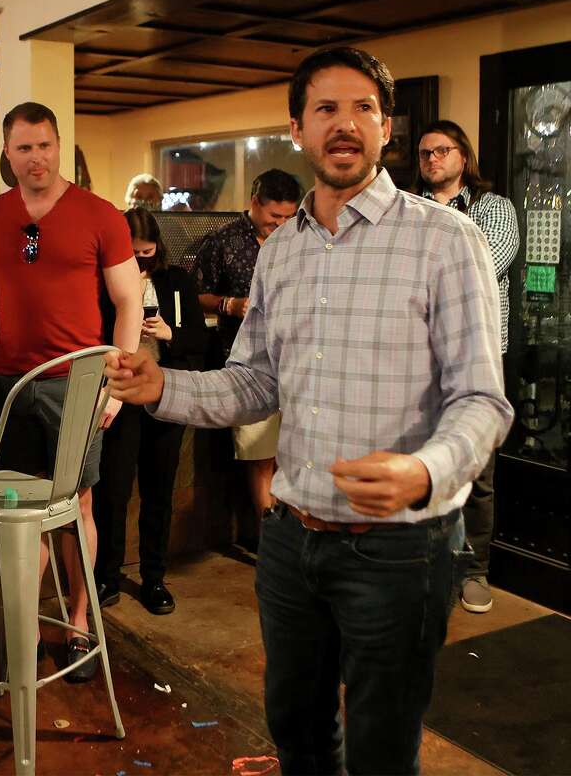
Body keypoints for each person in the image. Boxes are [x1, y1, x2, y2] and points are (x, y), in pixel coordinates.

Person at [105, 46, 513, 775]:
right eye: (326, 108)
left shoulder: (446, 240)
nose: (346, 123)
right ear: (297, 128)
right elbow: (255, 382)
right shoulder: (282, 253)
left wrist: (425, 470)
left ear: (386, 128)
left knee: (382, 750)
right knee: (296, 733)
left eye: (363, 107)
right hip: (291, 545)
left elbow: (482, 400)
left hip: (400, 551)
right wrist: (161, 386)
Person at [0, 101, 141, 682]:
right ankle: (20, 620)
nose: (36, 157)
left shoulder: (100, 214)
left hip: (78, 383)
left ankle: (77, 621)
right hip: (7, 382)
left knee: (77, 508)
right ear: (7, 152)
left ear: (58, 145)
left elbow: (128, 302)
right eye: (23, 147)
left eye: (44, 145)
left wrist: (114, 383)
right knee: (19, 507)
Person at [415, 119, 519, 614]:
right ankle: (419, 569)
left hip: (476, 354)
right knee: (418, 461)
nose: (432, 160)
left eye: (442, 151)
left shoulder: (494, 209)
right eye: (425, 153)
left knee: (475, 469)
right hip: (413, 356)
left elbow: (481, 268)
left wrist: (420, 274)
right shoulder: (404, 210)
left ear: (463, 156)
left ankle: (472, 572)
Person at [93, 207, 208, 615]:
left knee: (160, 491)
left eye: (146, 253)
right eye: (133, 253)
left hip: (166, 394)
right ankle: (106, 575)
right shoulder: (104, 281)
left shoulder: (174, 280)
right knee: (113, 490)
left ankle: (154, 578)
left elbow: (201, 340)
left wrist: (169, 333)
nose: (141, 260)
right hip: (120, 396)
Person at [193, 169, 302, 545]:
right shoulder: (222, 242)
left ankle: (294, 539)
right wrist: (228, 304)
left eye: (289, 216)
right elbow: (195, 293)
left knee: (295, 457)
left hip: (298, 361)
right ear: (255, 203)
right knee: (261, 457)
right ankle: (273, 543)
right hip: (249, 364)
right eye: (275, 217)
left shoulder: (299, 240)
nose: (282, 224)